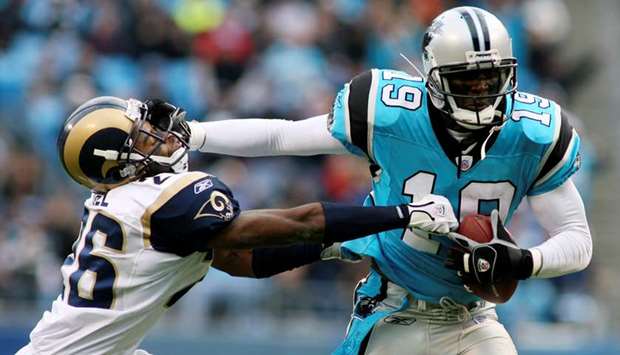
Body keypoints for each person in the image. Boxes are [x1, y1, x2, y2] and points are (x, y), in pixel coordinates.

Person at [186, 6, 592, 355]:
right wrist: (195, 133)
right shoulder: (391, 113)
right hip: (394, 311)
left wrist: (523, 261)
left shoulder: (534, 132)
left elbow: (577, 238)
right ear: (433, 77)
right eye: (467, 83)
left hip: (475, 319)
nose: (482, 95)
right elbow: (283, 136)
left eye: (491, 79)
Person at [17, 96, 459, 355]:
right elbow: (296, 222)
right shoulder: (160, 199)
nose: (164, 135)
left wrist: (333, 249)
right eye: (144, 136)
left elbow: (240, 261)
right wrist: (400, 214)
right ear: (118, 162)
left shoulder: (128, 203)